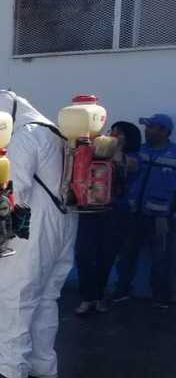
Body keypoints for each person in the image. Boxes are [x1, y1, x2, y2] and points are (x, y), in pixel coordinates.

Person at [0, 92, 77, 378]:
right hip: (66, 222)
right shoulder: (58, 133)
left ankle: (11, 370)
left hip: (33, 225)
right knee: (47, 297)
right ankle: (43, 364)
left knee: (15, 296)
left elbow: (15, 192)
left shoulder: (25, 136)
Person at [74, 121, 141, 315]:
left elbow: (126, 165)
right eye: (113, 130)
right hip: (91, 210)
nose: (114, 134)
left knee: (106, 256)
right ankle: (87, 297)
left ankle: (99, 296)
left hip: (115, 213)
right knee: (84, 254)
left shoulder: (135, 158)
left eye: (120, 133)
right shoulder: (96, 151)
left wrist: (115, 146)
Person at [113, 114, 176, 309]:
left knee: (161, 258)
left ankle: (161, 298)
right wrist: (118, 146)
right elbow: (126, 167)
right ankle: (121, 291)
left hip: (162, 217)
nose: (147, 131)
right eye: (147, 127)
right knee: (126, 255)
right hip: (133, 213)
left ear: (164, 131)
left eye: (152, 127)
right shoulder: (138, 151)